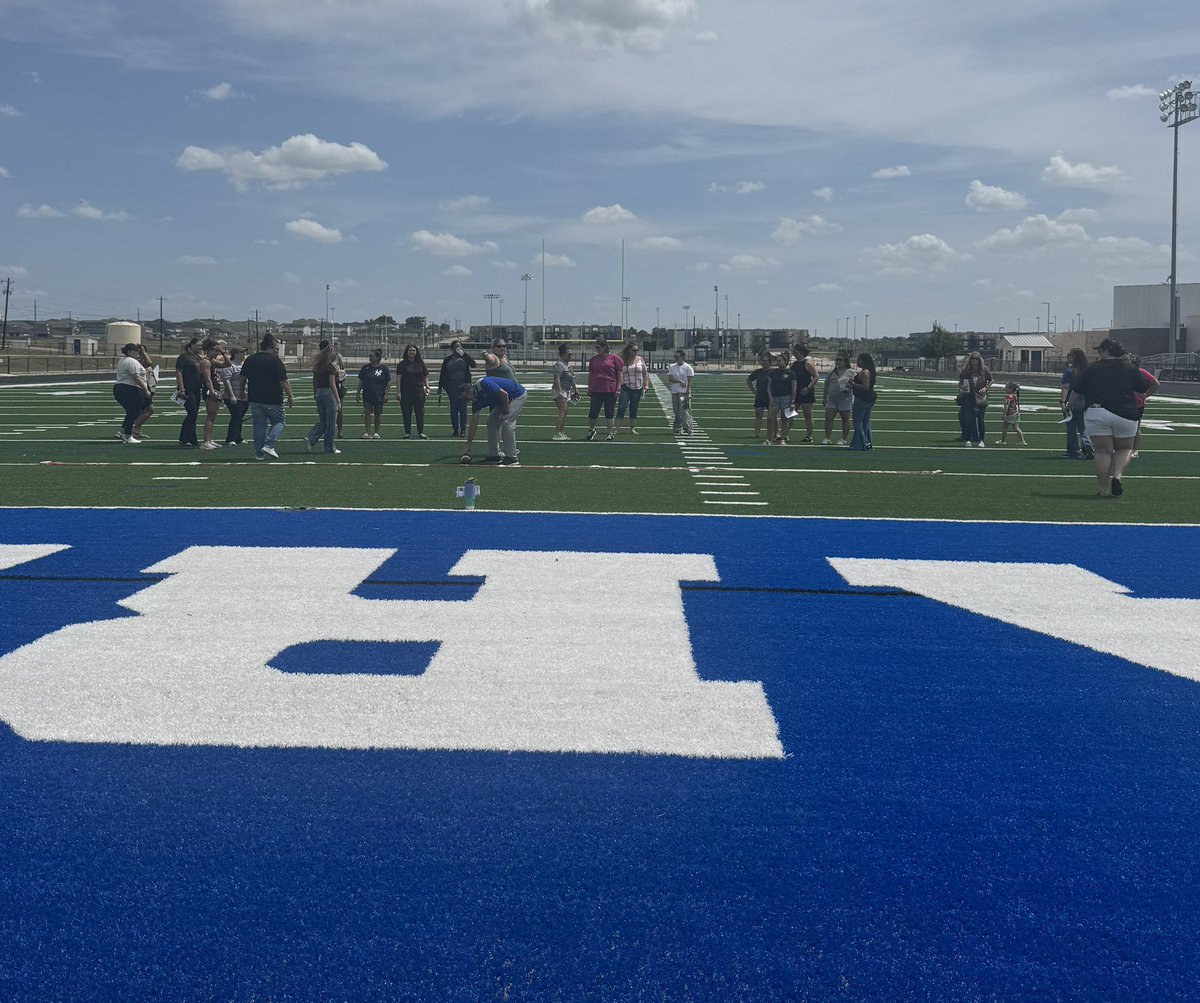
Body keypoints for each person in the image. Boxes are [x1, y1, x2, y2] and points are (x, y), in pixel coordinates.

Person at [1069, 337, 1154, 497]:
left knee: (1102, 452)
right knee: (1125, 448)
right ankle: (1117, 475)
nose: (1099, 353)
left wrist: (1068, 406)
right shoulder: (1129, 368)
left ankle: (1103, 489)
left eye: (1100, 350)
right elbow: (1143, 387)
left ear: (1107, 351)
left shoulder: (1093, 368)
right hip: (1126, 413)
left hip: (1097, 412)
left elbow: (1077, 389)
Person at [241, 334, 294, 460]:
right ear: (270, 348)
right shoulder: (275, 361)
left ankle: (259, 453)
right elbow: (283, 380)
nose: (277, 352)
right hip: (273, 398)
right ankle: (269, 444)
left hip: (254, 398)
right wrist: (290, 396)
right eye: (276, 349)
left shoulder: (251, 359)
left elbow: (242, 377)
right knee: (279, 421)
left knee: (259, 426)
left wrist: (242, 391)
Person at [459, 375, 526, 466]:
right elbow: (473, 424)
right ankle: (494, 456)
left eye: (466, 398)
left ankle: (512, 458)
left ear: (470, 391)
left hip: (516, 395)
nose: (467, 401)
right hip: (502, 400)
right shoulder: (476, 402)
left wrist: (506, 412)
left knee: (507, 422)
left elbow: (504, 394)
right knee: (491, 422)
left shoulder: (484, 384)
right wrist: (468, 445)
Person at [586, 337, 624, 441]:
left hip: (610, 389)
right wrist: (589, 387)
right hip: (596, 389)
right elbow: (591, 374)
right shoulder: (594, 359)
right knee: (593, 412)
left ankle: (609, 433)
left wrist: (619, 388)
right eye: (596, 347)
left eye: (599, 347)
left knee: (609, 412)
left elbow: (620, 374)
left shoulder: (615, 358)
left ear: (605, 347)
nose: (597, 349)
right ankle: (591, 429)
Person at [112, 342, 150, 444]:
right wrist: (145, 389)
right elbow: (136, 377)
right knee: (132, 412)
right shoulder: (131, 361)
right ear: (129, 351)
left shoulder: (125, 360)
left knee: (137, 411)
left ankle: (125, 432)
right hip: (130, 388)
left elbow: (148, 363)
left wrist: (143, 352)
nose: (137, 353)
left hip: (125, 388)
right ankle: (127, 435)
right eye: (135, 351)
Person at [437, 340, 476, 438]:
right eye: (456, 347)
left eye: (460, 347)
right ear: (452, 349)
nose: (458, 349)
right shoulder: (447, 360)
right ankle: (455, 429)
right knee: (454, 408)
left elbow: (473, 364)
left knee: (463, 409)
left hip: (464, 386)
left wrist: (465, 354)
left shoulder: (465, 358)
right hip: (451, 386)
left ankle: (463, 430)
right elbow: (443, 373)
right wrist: (440, 387)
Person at [1061, 347, 1092, 460]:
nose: (1067, 357)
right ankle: (1087, 447)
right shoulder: (1088, 370)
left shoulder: (1069, 371)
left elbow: (1066, 387)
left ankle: (1072, 450)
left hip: (1072, 400)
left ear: (1076, 357)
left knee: (1071, 428)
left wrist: (1064, 403)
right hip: (1086, 402)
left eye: (1070, 355)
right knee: (1084, 427)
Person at [174, 336, 204, 447]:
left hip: (196, 389)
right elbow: (179, 372)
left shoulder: (197, 358)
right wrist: (181, 389)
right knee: (192, 413)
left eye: (201, 346)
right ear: (192, 345)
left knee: (194, 414)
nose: (200, 347)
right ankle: (184, 438)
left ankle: (192, 438)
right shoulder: (184, 357)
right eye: (198, 345)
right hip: (188, 389)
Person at [957, 351, 992, 447]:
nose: (974, 360)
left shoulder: (984, 369)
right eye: (972, 358)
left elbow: (991, 380)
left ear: (979, 359)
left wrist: (986, 388)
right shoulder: (966, 370)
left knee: (981, 419)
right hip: (969, 396)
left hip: (981, 397)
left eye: (976, 358)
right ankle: (968, 439)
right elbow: (960, 382)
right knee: (969, 419)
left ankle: (981, 440)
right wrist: (962, 387)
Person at [396, 343, 430, 439]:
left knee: (420, 412)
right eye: (410, 350)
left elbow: (425, 376)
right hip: (406, 392)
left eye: (414, 350)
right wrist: (398, 392)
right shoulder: (402, 364)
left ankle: (421, 432)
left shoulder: (420, 363)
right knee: (406, 413)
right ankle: (407, 433)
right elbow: (398, 378)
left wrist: (427, 387)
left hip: (419, 391)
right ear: (407, 352)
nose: (412, 352)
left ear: (416, 352)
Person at [199, 338, 228, 451]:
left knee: (213, 416)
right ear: (210, 350)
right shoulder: (206, 361)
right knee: (210, 415)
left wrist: (223, 352)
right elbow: (207, 379)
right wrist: (211, 391)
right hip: (209, 390)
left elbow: (227, 364)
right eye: (216, 351)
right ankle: (206, 441)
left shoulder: (212, 361)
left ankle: (210, 440)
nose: (217, 353)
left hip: (214, 388)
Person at [1128, 355, 1159, 460]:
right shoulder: (1123, 372)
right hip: (1123, 403)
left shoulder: (1141, 372)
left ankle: (1135, 450)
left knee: (1136, 428)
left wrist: (1145, 395)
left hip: (1137, 404)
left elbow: (1155, 383)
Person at [356, 348, 391, 439]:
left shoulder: (384, 369)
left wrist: (386, 394)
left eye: (372, 356)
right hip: (367, 395)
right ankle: (367, 432)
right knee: (367, 412)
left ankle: (376, 432)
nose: (370, 358)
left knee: (377, 414)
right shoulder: (365, 368)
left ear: (378, 357)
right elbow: (361, 381)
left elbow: (388, 383)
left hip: (379, 395)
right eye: (370, 356)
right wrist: (358, 392)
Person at [616, 342, 650, 435]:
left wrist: (646, 385)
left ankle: (632, 428)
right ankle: (616, 428)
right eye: (634, 350)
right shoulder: (622, 360)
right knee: (622, 407)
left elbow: (645, 373)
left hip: (637, 387)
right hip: (625, 386)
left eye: (637, 350)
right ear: (629, 350)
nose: (636, 352)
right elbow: (619, 373)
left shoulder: (640, 359)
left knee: (634, 408)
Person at [821, 351, 854, 445]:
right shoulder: (832, 372)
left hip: (845, 399)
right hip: (832, 399)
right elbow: (826, 384)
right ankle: (827, 438)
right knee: (828, 418)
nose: (838, 362)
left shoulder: (850, 372)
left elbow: (855, 385)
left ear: (845, 361)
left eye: (840, 360)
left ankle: (843, 439)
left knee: (845, 419)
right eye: (837, 360)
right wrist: (824, 397)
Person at [218, 347, 248, 445]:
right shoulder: (230, 366)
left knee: (239, 417)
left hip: (244, 396)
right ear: (235, 354)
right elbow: (227, 382)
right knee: (236, 416)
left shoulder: (244, 365)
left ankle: (238, 437)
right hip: (233, 396)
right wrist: (232, 396)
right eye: (241, 353)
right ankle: (231, 438)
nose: (244, 355)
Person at [790, 345, 820, 443]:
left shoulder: (807, 364)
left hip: (806, 393)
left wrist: (808, 388)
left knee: (807, 415)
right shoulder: (793, 364)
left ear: (802, 353)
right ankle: (785, 434)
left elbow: (816, 377)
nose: (794, 353)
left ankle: (808, 436)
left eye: (796, 352)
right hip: (796, 393)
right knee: (790, 414)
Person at [849, 353, 877, 451]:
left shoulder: (864, 372)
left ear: (863, 361)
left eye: (859, 360)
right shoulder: (870, 371)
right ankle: (864, 443)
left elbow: (865, 387)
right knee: (866, 422)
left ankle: (864, 443)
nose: (857, 362)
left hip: (862, 399)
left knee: (858, 422)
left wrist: (853, 384)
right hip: (868, 399)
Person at [766, 351, 796, 445]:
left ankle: (783, 439)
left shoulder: (791, 373)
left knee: (784, 419)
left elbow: (794, 388)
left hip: (786, 398)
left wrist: (792, 401)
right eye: (777, 360)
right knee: (770, 418)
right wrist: (770, 398)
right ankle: (769, 439)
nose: (778, 362)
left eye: (780, 360)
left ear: (785, 361)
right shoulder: (773, 372)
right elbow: (769, 386)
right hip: (775, 398)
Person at [552, 343, 579, 441]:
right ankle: (557, 433)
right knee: (562, 411)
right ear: (562, 354)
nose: (571, 356)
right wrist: (559, 391)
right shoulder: (559, 364)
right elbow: (557, 378)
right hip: (560, 390)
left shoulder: (568, 365)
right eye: (569, 354)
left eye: (571, 354)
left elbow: (572, 379)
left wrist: (575, 390)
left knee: (565, 412)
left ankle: (561, 432)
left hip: (567, 391)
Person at [130, 344, 157, 440]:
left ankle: (136, 431)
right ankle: (131, 430)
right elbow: (149, 363)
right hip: (142, 390)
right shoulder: (137, 363)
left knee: (142, 412)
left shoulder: (142, 361)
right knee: (146, 411)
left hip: (148, 389)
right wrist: (143, 353)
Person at [667, 349, 694, 435]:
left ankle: (687, 427)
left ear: (683, 357)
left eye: (677, 356)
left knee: (684, 410)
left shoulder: (687, 367)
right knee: (676, 410)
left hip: (683, 392)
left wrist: (688, 391)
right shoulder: (672, 367)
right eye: (675, 356)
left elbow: (690, 380)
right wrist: (679, 381)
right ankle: (677, 427)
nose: (676, 358)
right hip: (675, 391)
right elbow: (670, 379)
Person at [747, 353, 771, 439]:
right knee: (758, 415)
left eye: (765, 361)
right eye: (762, 361)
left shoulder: (773, 372)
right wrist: (753, 391)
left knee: (772, 417)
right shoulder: (758, 372)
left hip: (770, 397)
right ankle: (756, 433)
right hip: (760, 396)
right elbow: (749, 380)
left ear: (769, 362)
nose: (763, 362)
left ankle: (775, 433)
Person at [331, 341, 348, 439]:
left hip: (338, 384)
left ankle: (339, 431)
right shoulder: (326, 360)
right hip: (329, 384)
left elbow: (343, 369)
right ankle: (329, 430)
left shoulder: (339, 357)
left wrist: (342, 376)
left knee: (340, 409)